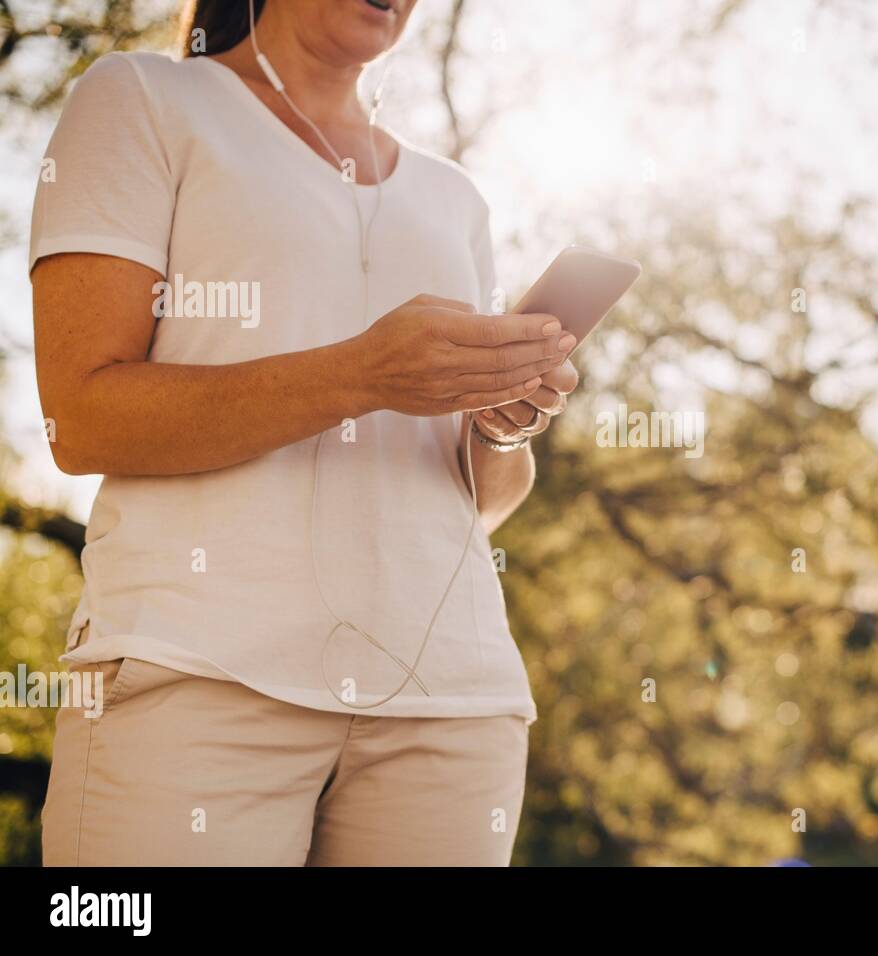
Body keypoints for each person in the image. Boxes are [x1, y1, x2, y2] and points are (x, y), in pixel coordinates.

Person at [30, 0, 573, 866]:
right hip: (195, 679)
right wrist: (362, 373)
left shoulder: (455, 198)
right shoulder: (143, 99)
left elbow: (482, 503)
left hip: (451, 705)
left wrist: (502, 427)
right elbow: (81, 416)